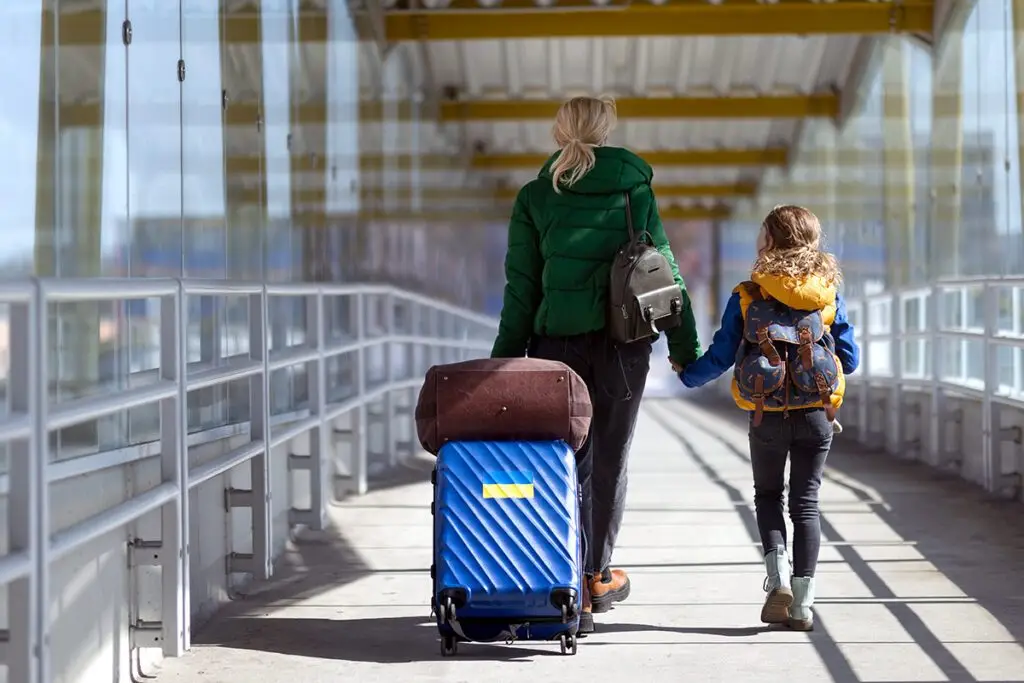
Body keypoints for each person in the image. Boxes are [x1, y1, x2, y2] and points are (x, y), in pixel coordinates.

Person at [490, 96, 702, 634]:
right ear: (606, 131)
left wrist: (504, 363)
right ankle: (593, 579)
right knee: (610, 461)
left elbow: (522, 286)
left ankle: (563, 577)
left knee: (564, 462)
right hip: (623, 346)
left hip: (556, 346)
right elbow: (663, 269)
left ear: (559, 132)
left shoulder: (536, 196)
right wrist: (684, 347)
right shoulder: (634, 190)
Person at [676, 205, 859, 631]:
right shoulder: (829, 292)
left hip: (766, 413)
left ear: (771, 242)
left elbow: (721, 356)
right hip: (817, 415)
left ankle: (777, 583)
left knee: (768, 496)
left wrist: (687, 375)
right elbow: (849, 360)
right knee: (806, 504)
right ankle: (803, 606)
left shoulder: (747, 294)